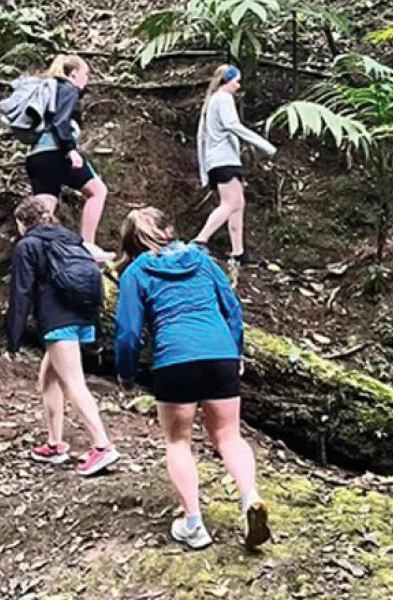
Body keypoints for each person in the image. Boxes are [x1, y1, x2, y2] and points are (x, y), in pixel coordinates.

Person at [114, 207, 269, 550]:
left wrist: (125, 374)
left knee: (178, 441)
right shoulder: (202, 261)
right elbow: (232, 308)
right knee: (229, 435)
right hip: (220, 352)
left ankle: (193, 524)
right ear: (168, 230)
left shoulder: (136, 273)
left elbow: (127, 333)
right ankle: (250, 499)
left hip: (175, 358)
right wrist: (236, 351)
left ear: (130, 243)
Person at [6, 196, 120, 476]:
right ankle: (55, 444)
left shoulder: (28, 245)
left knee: (73, 382)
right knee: (48, 378)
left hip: (58, 320)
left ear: (23, 222)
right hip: (83, 316)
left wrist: (13, 337)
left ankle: (103, 446)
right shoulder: (70, 239)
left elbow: (21, 294)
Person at [26, 54, 114, 262]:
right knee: (97, 192)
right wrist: (70, 150)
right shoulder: (67, 89)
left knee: (43, 211)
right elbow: (61, 122)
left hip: (36, 157)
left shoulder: (48, 90)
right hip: (57, 153)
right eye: (86, 74)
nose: (87, 79)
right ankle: (88, 245)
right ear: (74, 74)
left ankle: (37, 255)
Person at [192, 65, 276, 268]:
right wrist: (264, 145)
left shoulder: (213, 101)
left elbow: (203, 136)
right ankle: (199, 240)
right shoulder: (223, 98)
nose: (238, 86)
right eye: (236, 81)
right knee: (229, 204)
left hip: (222, 160)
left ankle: (238, 253)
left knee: (237, 205)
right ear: (227, 81)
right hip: (223, 160)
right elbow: (232, 125)